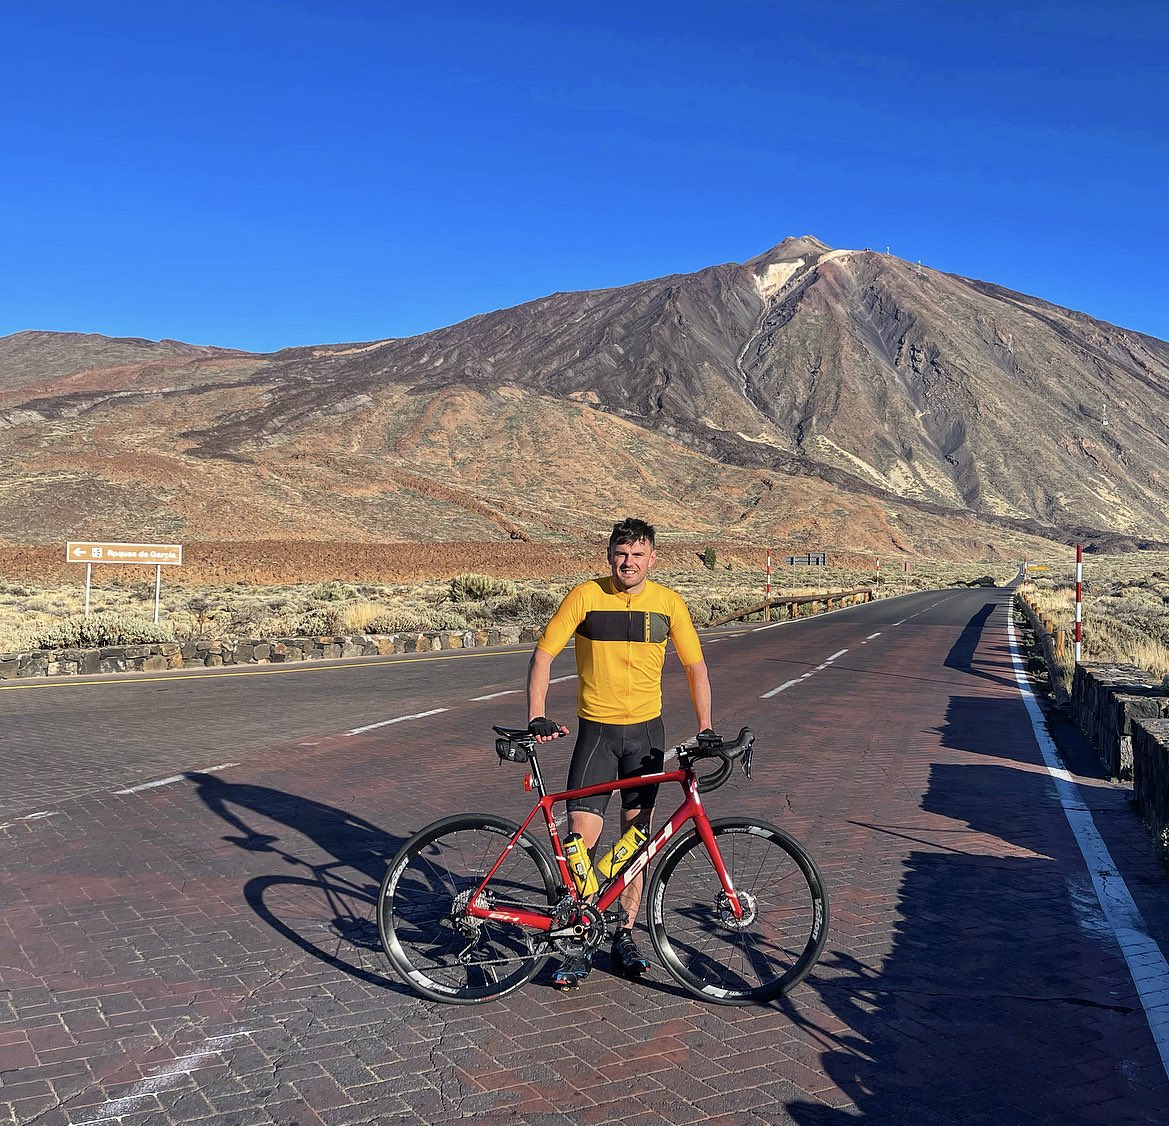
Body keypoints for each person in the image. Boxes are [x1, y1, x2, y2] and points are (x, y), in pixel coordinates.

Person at [526, 517, 713, 990]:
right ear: (609, 555)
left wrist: (706, 728)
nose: (628, 562)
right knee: (580, 840)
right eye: (620, 553)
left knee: (637, 843)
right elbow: (543, 654)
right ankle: (577, 940)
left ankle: (624, 935)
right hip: (598, 735)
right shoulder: (586, 596)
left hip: (646, 737)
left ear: (653, 558)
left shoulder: (669, 605)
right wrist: (537, 714)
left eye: (637, 554)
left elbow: (696, 667)